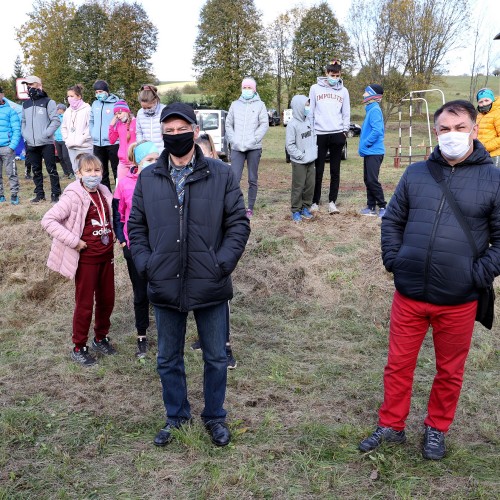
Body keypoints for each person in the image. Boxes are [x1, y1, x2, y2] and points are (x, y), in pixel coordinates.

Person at [359, 100, 500, 460]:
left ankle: (436, 429)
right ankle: (391, 425)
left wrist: (477, 274)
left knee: (449, 371)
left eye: (459, 128)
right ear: (434, 132)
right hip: (409, 294)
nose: (451, 136)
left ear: (473, 129)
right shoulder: (416, 173)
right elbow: (392, 220)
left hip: (458, 299)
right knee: (398, 365)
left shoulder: (493, 179)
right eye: (443, 129)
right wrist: (395, 260)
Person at [127, 102, 250, 447]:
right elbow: (136, 225)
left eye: (183, 130)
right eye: (169, 132)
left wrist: (220, 264)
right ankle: (177, 416)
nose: (176, 136)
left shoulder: (220, 173)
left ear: (195, 132)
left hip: (209, 280)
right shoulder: (150, 177)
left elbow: (238, 224)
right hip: (164, 280)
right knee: (168, 357)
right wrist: (147, 264)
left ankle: (214, 416)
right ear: (162, 135)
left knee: (215, 356)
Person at [41, 153, 115, 366]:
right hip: (86, 259)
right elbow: (48, 220)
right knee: (84, 304)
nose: (93, 175)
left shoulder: (103, 191)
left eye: (97, 170)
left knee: (107, 300)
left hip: (106, 256)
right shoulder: (73, 195)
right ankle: (79, 346)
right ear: (79, 173)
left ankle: (101, 338)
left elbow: (111, 215)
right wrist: (74, 241)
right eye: (88, 171)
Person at [190, 132, 238, 369]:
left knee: (220, 305)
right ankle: (204, 337)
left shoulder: (222, 177)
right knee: (199, 299)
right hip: (194, 256)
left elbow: (234, 221)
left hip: (216, 255)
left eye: (204, 152)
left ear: (212, 153)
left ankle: (226, 347)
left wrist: (224, 259)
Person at [113, 140, 159, 358]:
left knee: (160, 289)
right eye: (149, 160)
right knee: (141, 293)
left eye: (157, 159)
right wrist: (123, 242)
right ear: (138, 162)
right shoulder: (124, 184)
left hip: (161, 246)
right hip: (135, 248)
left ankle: (167, 330)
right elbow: (118, 215)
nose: (155, 163)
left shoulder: (165, 180)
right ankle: (142, 334)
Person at [308, 60, 350, 214]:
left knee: (335, 170)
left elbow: (346, 113)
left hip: (337, 134)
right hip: (319, 134)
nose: (335, 78)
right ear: (326, 74)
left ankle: (332, 201)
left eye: (337, 75)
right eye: (332, 75)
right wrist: (312, 131)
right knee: (318, 169)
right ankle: (315, 201)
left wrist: (344, 131)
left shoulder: (343, 91)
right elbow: (310, 111)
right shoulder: (315, 89)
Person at [226, 76, 269, 218]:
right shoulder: (234, 105)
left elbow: (264, 124)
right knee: (234, 178)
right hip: (237, 148)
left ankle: (250, 207)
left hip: (254, 147)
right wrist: (233, 140)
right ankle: (235, 206)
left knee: (252, 179)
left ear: (254, 89)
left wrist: (254, 139)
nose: (247, 90)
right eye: (244, 87)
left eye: (249, 87)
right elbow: (228, 124)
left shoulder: (260, 105)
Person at [21, 75, 61, 203]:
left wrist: (46, 134)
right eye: (27, 85)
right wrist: (25, 134)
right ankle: (39, 194)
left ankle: (55, 194)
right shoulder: (25, 104)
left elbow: (55, 120)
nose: (29, 87)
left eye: (31, 85)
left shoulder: (49, 102)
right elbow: (23, 121)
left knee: (51, 169)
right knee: (36, 170)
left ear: (39, 85)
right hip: (31, 143)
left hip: (46, 142)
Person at [285, 95, 317, 223]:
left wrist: (314, 152)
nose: (308, 107)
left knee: (310, 185)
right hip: (299, 161)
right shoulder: (292, 125)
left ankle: (305, 207)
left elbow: (313, 138)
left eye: (309, 105)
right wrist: (301, 155)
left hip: (311, 160)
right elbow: (290, 145)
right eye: (306, 105)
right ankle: (296, 210)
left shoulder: (309, 120)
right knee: (298, 186)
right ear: (299, 106)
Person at [358, 84, 387, 217]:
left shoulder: (375, 110)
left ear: (373, 95)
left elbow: (377, 131)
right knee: (368, 179)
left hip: (374, 151)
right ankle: (370, 207)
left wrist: (366, 143)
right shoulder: (370, 110)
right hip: (370, 152)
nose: (364, 95)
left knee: (372, 180)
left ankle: (382, 207)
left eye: (366, 92)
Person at [89, 79, 120, 191]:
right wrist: (93, 132)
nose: (98, 94)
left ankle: (119, 194)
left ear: (107, 91)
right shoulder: (94, 104)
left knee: (116, 169)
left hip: (113, 143)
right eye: (96, 92)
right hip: (98, 143)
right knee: (101, 170)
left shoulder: (116, 103)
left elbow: (121, 121)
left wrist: (116, 135)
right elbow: (91, 120)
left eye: (100, 91)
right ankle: (106, 193)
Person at [62, 83, 92, 173]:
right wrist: (67, 140)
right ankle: (78, 187)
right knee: (76, 171)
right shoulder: (67, 111)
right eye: (68, 96)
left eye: (72, 96)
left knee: (87, 170)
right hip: (71, 146)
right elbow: (64, 127)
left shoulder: (87, 109)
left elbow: (90, 127)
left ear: (79, 96)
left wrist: (81, 139)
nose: (69, 98)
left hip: (84, 147)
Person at [0, 85, 21, 205]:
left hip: (7, 148)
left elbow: (16, 130)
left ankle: (14, 195)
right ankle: (1, 195)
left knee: (11, 172)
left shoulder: (10, 111)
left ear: (2, 95)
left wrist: (11, 146)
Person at [108, 99, 137, 183]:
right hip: (122, 162)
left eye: (120, 113)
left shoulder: (135, 122)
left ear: (126, 111)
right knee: (121, 185)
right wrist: (111, 125)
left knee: (134, 185)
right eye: (116, 114)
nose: (118, 116)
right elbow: (112, 140)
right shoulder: (118, 124)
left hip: (134, 161)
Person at [136, 84, 165, 154]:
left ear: (155, 100)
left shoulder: (164, 110)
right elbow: (139, 132)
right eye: (144, 108)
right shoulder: (140, 113)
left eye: (149, 107)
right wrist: (141, 147)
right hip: (147, 153)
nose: (146, 110)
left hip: (163, 152)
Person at [476, 88, 500, 167]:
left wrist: (485, 147)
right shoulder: (479, 116)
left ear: (492, 100)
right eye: (481, 102)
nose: (484, 104)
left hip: (494, 155)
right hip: (480, 154)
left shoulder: (497, 114)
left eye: (486, 100)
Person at [54, 103, 74, 179]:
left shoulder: (67, 117)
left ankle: (72, 172)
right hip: (57, 139)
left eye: (58, 109)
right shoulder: (56, 117)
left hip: (64, 140)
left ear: (62, 109)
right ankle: (66, 172)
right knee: (60, 157)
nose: (57, 111)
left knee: (66, 157)